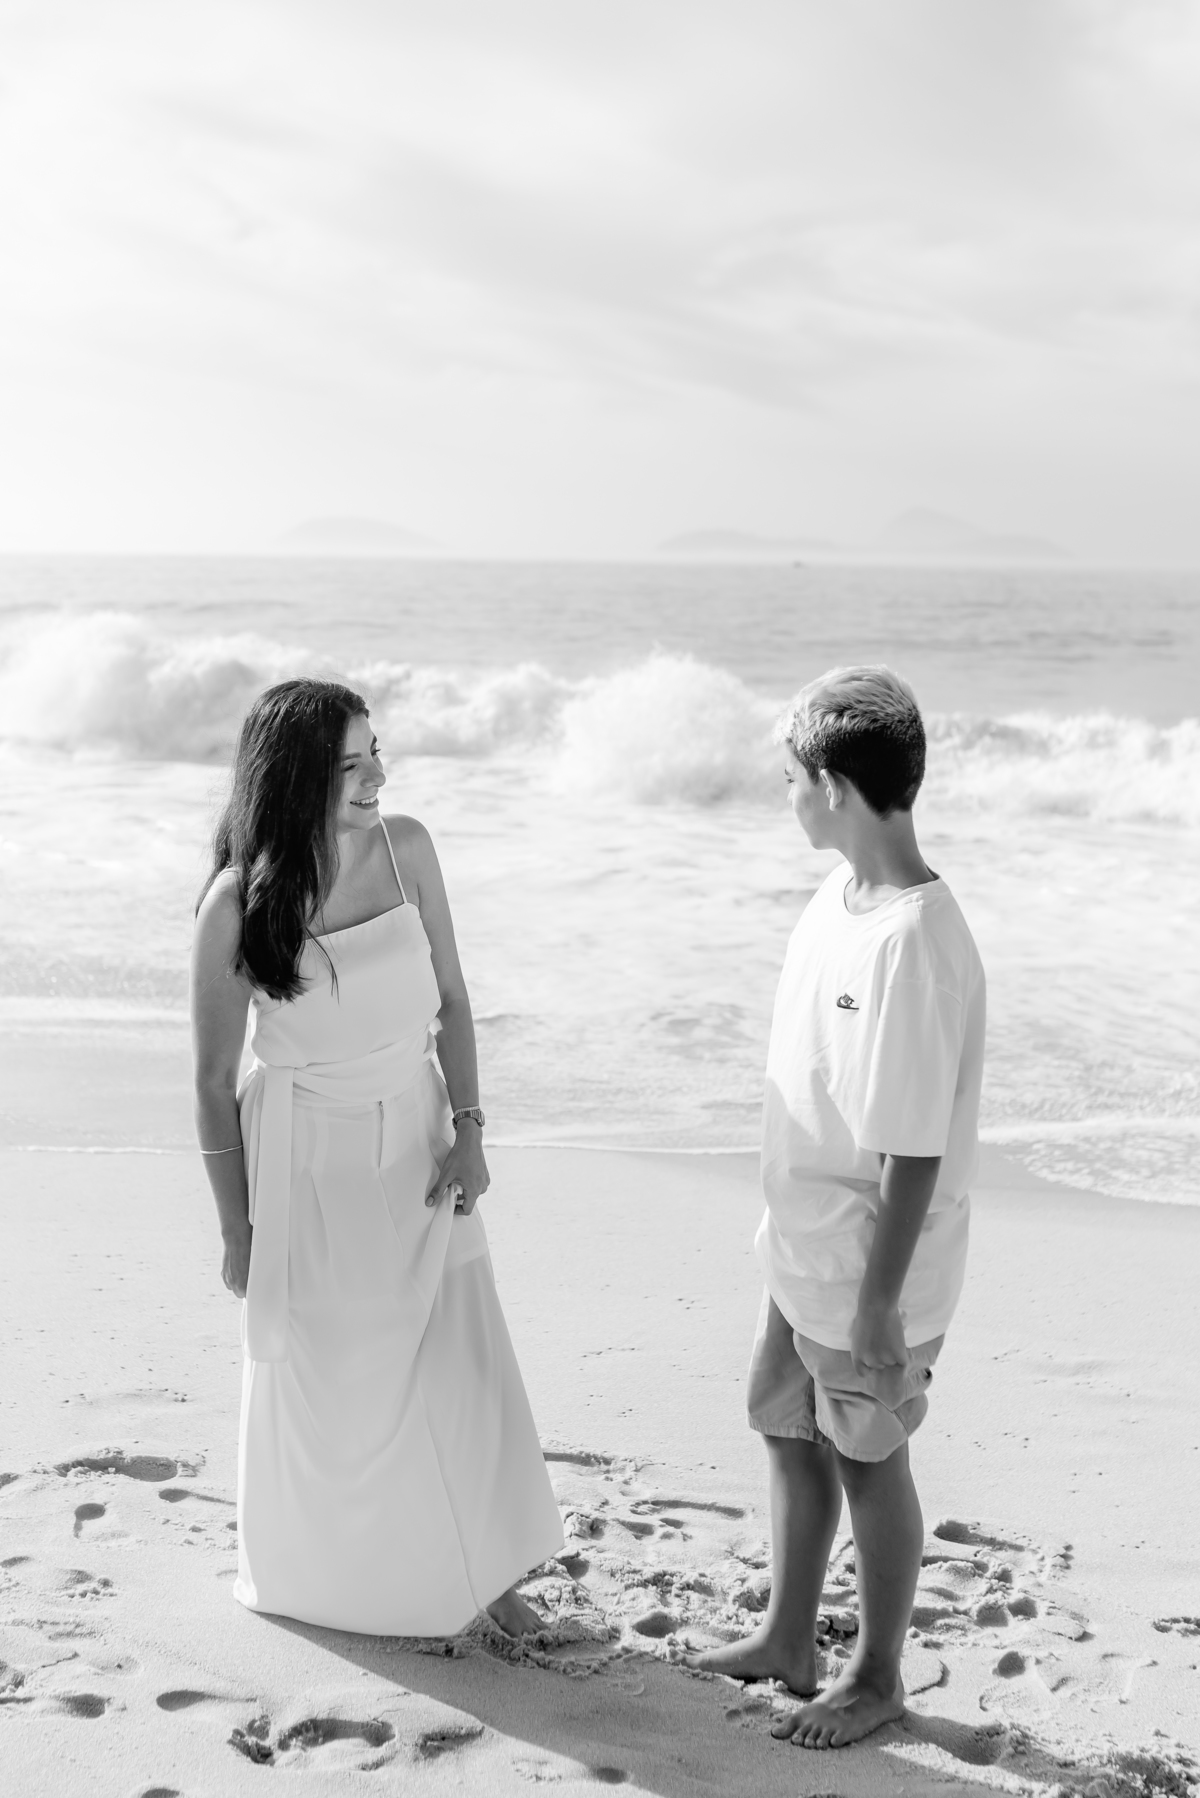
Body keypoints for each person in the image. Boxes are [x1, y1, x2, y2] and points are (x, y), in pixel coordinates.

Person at [190, 677, 563, 1638]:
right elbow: (209, 1081)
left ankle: (486, 1575)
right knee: (340, 1382)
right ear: (294, 779)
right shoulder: (237, 906)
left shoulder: (409, 851)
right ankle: (346, 1583)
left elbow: (455, 1001)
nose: (376, 777)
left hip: (422, 1141)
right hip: (307, 1162)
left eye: (376, 753)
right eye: (349, 764)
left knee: (458, 1365)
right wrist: (237, 1229)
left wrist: (473, 1131)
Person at [689, 665, 985, 1749]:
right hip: (802, 1246)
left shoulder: (913, 939)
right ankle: (788, 1636)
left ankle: (876, 1673)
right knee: (779, 1412)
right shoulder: (840, 896)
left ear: (834, 786)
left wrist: (878, 1307)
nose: (785, 794)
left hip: (870, 1270)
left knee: (869, 1458)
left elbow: (912, 1153)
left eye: (790, 777)